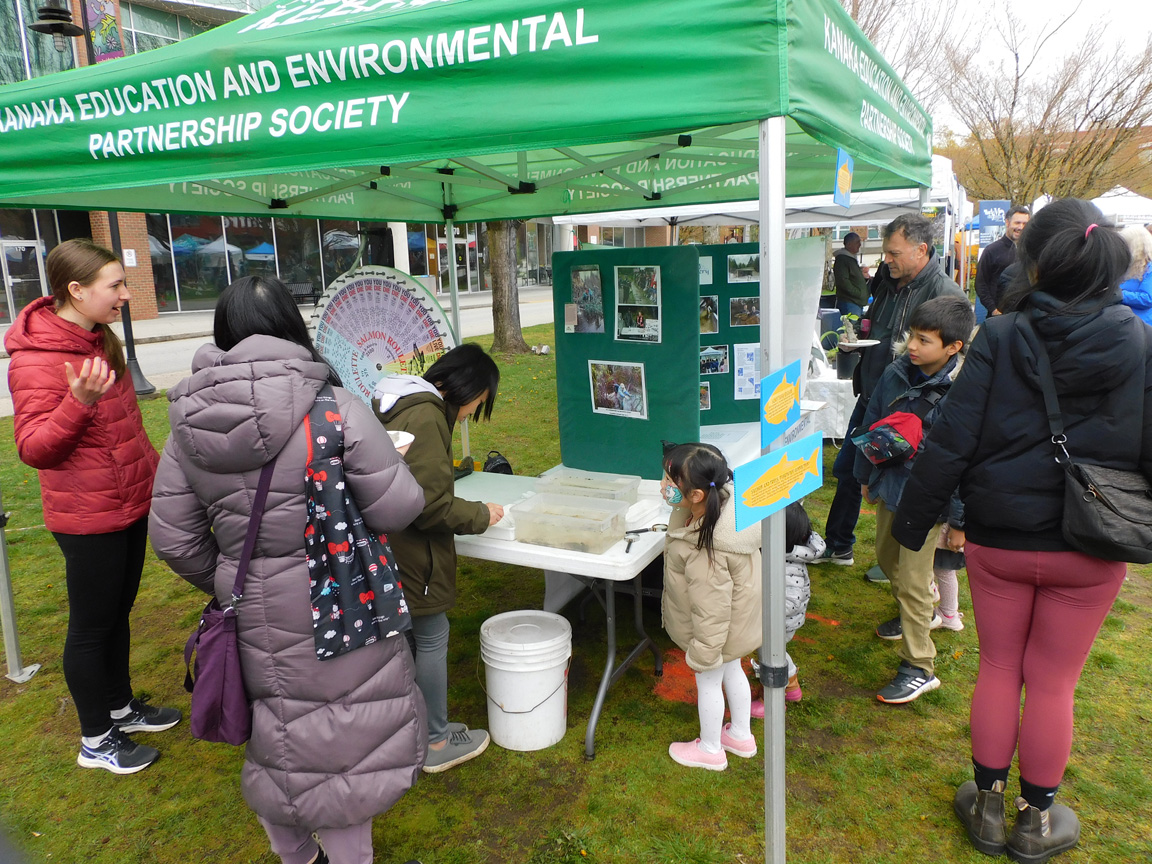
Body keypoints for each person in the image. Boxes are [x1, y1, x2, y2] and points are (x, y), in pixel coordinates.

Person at [891, 199, 1149, 862]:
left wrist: (912, 523)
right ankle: (1035, 819)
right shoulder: (1138, 339)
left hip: (1002, 537)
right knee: (1053, 681)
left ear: (1033, 261)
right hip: (1091, 544)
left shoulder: (1000, 335)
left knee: (1000, 666)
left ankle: (988, 805)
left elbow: (952, 438)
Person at [149, 275, 427, 864]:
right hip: (342, 601)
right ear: (291, 327)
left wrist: (234, 577)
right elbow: (398, 508)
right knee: (342, 744)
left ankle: (297, 854)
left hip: (250, 610)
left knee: (277, 735)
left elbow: (173, 539)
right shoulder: (336, 408)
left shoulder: (187, 422)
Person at [4, 238, 178, 775]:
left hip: (130, 505)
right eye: (115, 285)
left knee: (117, 615)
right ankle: (96, 740)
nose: (125, 295)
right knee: (89, 628)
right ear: (76, 290)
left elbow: (130, 432)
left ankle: (120, 707)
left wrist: (161, 484)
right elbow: (35, 450)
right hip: (87, 518)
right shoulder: (36, 360)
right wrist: (77, 404)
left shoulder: (101, 340)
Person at [374, 344, 504, 773]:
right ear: (467, 388)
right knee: (431, 634)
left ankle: (416, 729)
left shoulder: (395, 402)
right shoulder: (428, 416)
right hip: (414, 551)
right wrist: (481, 514)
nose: (473, 412)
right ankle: (434, 741)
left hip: (387, 544)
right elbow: (430, 507)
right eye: (479, 402)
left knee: (409, 638)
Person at [814, 213, 965, 568]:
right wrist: (859, 343)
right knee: (850, 470)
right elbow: (877, 328)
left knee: (901, 484)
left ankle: (904, 568)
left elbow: (951, 362)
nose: (887, 259)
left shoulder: (946, 294)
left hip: (910, 411)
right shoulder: (887, 283)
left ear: (921, 250)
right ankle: (841, 545)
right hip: (874, 396)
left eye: (894, 253)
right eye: (886, 252)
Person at [854, 296, 974, 703]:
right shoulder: (895, 372)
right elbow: (871, 421)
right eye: (913, 336)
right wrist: (864, 476)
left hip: (928, 499)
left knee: (912, 581)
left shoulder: (964, 391)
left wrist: (959, 521)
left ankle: (919, 666)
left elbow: (964, 461)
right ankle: (918, 608)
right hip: (890, 486)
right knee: (888, 560)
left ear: (953, 347)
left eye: (925, 340)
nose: (913, 346)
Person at [660, 443, 761, 771]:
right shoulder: (728, 516)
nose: (662, 486)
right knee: (734, 670)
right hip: (735, 631)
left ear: (696, 495)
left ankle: (710, 749)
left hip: (714, 636)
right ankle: (741, 735)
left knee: (708, 682)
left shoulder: (706, 548)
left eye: (669, 482)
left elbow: (711, 609)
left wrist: (704, 653)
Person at [750, 500, 822, 718]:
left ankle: (772, 701)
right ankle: (791, 687)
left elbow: (791, 602)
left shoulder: (788, 566)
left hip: (780, 623)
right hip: (776, 621)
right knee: (773, 653)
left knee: (771, 658)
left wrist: (761, 609)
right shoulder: (786, 554)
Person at [975, 204, 1030, 322]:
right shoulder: (991, 250)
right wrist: (993, 309)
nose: (1020, 227)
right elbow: (980, 283)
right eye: (1017, 223)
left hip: (1023, 316)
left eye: (1024, 224)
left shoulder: (1031, 251)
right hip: (998, 317)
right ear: (1007, 222)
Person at [1118, 224, 1152, 326]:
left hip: (1141, 326)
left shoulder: (1149, 268)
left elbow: (1148, 299)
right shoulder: (1126, 265)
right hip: (1123, 321)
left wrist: (1118, 294)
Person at [832, 232, 869, 318]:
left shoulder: (850, 258)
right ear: (849, 244)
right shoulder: (842, 259)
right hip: (849, 303)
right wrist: (858, 293)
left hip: (855, 303)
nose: (860, 245)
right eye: (857, 242)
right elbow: (843, 281)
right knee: (851, 325)